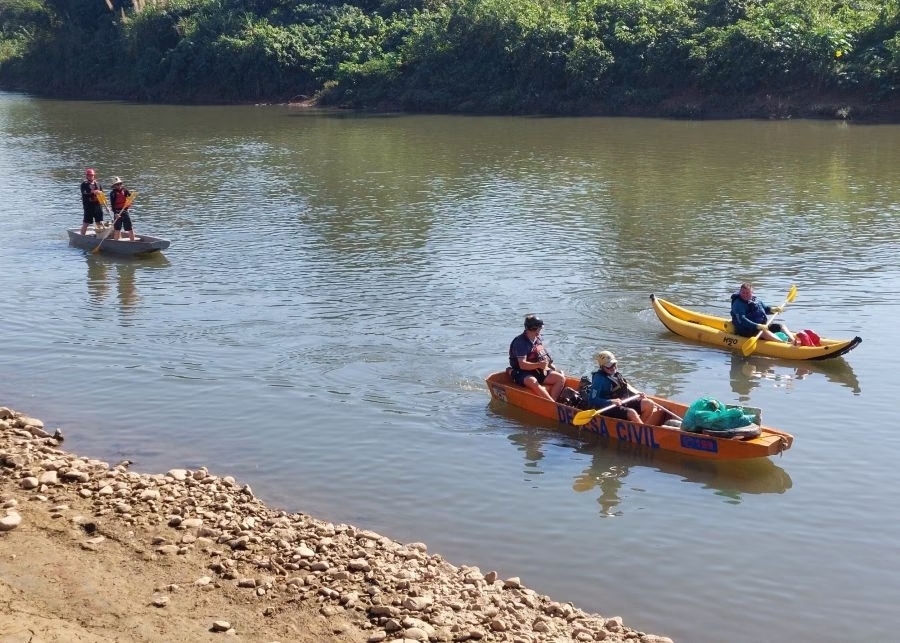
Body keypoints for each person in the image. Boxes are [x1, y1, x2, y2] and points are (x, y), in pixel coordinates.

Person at [587, 351, 667, 426]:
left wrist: (637, 393)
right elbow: (592, 399)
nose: (613, 368)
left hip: (622, 401)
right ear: (602, 367)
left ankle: (639, 428)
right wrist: (610, 401)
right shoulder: (599, 380)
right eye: (609, 366)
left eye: (614, 364)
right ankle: (640, 430)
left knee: (649, 404)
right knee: (631, 412)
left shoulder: (616, 374)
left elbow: (626, 386)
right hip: (606, 407)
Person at [508, 314, 566, 402]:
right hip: (522, 371)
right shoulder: (520, 342)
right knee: (533, 381)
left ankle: (553, 402)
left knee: (560, 378)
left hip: (538, 369)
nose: (540, 330)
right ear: (532, 328)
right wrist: (539, 365)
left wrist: (550, 365)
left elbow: (542, 354)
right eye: (539, 328)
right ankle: (552, 404)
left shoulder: (537, 339)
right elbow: (522, 365)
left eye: (540, 328)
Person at [730, 282, 796, 344]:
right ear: (740, 292)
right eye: (743, 292)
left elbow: (766, 309)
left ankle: (793, 341)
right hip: (746, 330)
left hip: (762, 326)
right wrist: (757, 326)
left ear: (752, 292)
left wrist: (774, 309)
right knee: (763, 333)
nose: (745, 295)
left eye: (747, 293)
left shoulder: (756, 300)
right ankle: (784, 344)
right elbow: (742, 320)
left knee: (781, 326)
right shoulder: (738, 304)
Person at [79, 168, 104, 235]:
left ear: (94, 176)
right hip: (88, 206)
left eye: (92, 175)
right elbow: (84, 193)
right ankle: (82, 236)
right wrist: (93, 192)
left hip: (98, 206)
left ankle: (100, 236)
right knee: (86, 222)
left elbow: (102, 195)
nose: (90, 177)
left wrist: (100, 193)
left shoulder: (98, 184)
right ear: (87, 176)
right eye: (89, 175)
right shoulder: (84, 184)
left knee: (99, 222)